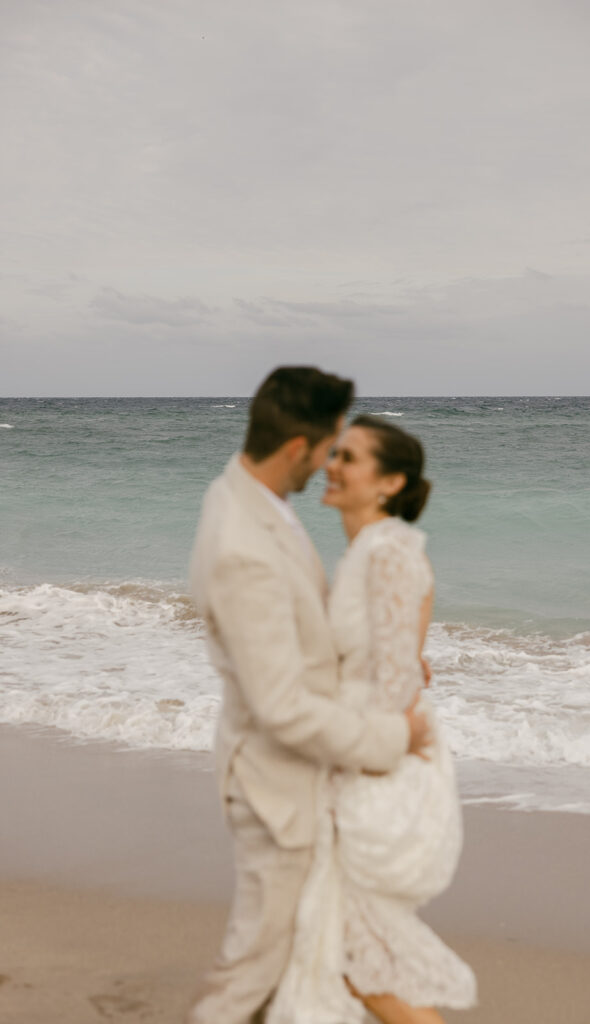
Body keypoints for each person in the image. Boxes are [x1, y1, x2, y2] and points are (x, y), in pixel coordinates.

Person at [187, 368, 432, 1024]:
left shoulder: (252, 501)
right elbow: (281, 707)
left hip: (304, 776)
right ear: (298, 447)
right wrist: (393, 738)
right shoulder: (244, 543)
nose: (329, 462)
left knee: (301, 961)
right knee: (256, 968)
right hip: (276, 783)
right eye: (329, 448)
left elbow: (303, 641)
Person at [266, 415, 477, 1024]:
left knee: (354, 957)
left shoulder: (387, 552)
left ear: (389, 483)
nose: (331, 465)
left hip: (375, 764)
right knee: (339, 949)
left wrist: (350, 762)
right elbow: (402, 658)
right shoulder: (372, 551)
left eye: (350, 457)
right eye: (334, 453)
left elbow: (396, 684)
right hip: (361, 751)